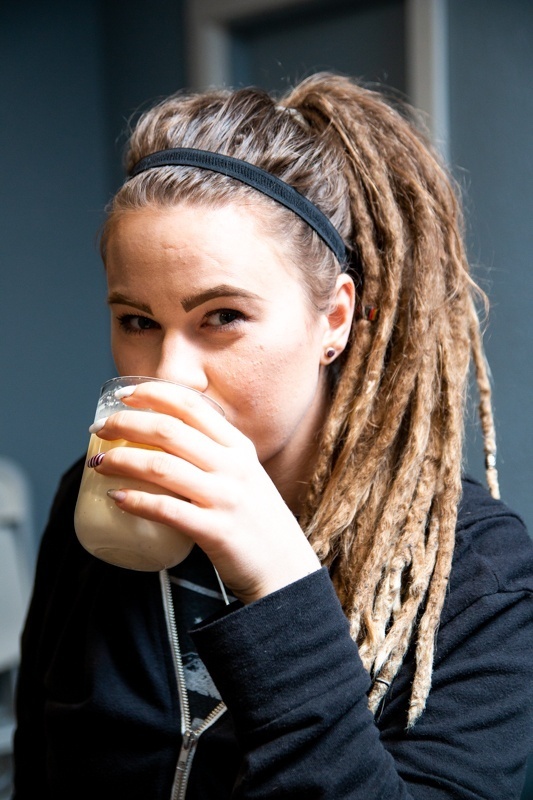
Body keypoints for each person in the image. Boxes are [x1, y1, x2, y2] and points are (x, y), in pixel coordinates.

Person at [13, 73, 533, 799]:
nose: (170, 376)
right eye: (137, 322)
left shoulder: (480, 572)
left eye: (221, 316)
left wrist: (280, 586)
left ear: (334, 318)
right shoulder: (97, 499)